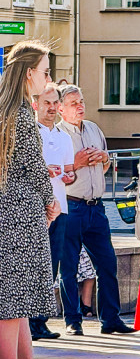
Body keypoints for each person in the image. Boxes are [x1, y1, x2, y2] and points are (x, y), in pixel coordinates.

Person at [0, 41, 69, 359]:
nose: (48, 77)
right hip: (20, 210)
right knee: (13, 300)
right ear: (29, 74)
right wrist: (50, 200)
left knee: (17, 297)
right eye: (44, 70)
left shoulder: (5, 107)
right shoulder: (22, 113)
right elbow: (33, 166)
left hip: (6, 207)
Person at [56, 84, 136, 336]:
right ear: (60, 109)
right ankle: (73, 321)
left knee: (107, 263)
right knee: (68, 267)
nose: (80, 106)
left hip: (96, 207)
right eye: (73, 103)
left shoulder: (93, 128)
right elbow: (57, 174)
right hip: (71, 205)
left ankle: (111, 319)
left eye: (81, 101)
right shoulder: (57, 135)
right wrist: (77, 163)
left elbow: (104, 167)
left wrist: (103, 158)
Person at [30, 82, 76, 341]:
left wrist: (68, 175)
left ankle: (41, 321)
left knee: (51, 265)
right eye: (46, 102)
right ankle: (26, 322)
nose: (50, 107)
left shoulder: (63, 136)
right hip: (36, 207)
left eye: (54, 103)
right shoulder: (29, 134)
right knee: (34, 265)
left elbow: (70, 170)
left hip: (60, 206)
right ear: (36, 104)